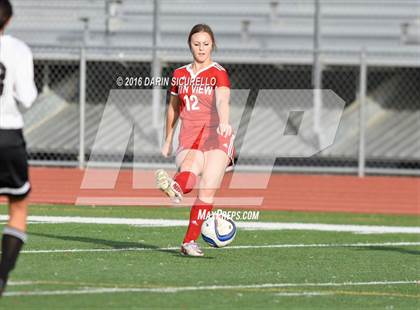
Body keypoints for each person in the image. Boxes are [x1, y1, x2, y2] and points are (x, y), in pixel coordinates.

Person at [155, 24, 234, 257]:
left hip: (216, 135)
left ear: (213, 45)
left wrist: (224, 121)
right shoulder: (179, 74)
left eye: (206, 44)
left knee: (207, 190)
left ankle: (189, 242)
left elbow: (223, 100)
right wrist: (167, 139)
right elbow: (173, 109)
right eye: (196, 43)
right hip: (189, 136)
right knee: (189, 171)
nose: (201, 48)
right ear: (190, 44)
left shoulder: (218, 72)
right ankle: (175, 187)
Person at [0, 0, 38, 295]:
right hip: (8, 134)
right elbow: (26, 97)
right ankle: (1, 278)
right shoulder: (18, 49)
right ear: (8, 20)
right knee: (18, 205)